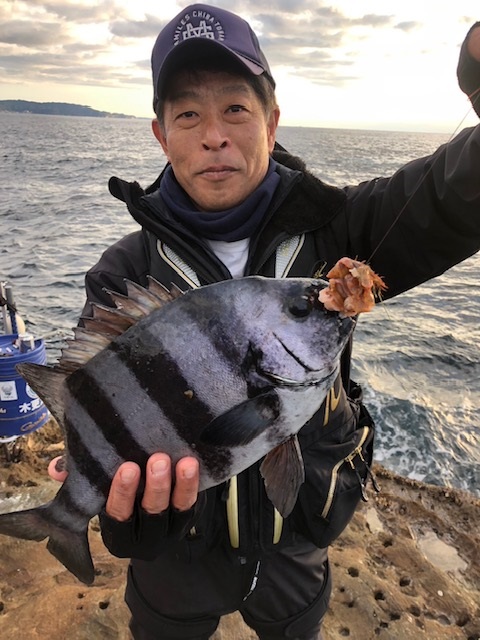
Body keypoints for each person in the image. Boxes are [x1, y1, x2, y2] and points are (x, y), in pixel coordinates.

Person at [50, 6, 480, 639]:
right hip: (174, 562)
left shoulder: (340, 231)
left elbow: (449, 199)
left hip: (298, 536)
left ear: (272, 123)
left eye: (236, 109)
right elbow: (102, 409)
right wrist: (131, 522)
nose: (213, 136)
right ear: (160, 135)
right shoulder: (122, 273)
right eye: (187, 115)